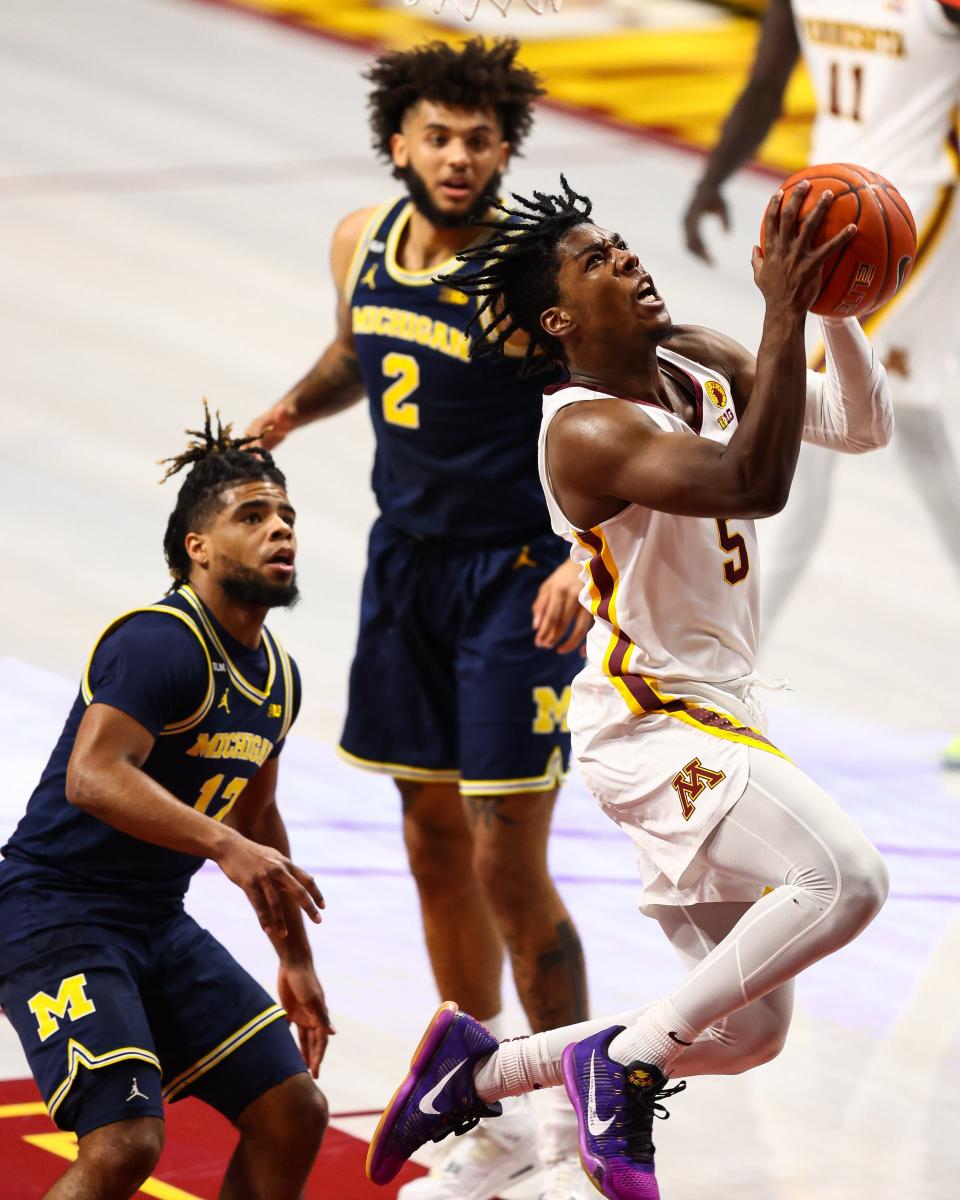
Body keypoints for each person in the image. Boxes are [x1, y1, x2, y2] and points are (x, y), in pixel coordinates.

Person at [364, 178, 892, 1200]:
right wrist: (785, 312)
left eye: (622, 246)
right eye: (599, 262)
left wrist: (835, 309)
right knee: (848, 879)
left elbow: (855, 427)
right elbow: (754, 482)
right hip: (653, 728)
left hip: (722, 711)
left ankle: (480, 1070)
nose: (630, 262)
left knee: (746, 1036)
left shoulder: (693, 352)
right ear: (560, 320)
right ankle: (625, 1063)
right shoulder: (583, 431)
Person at [245, 38, 591, 1200]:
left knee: (508, 857)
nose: (456, 156)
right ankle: (485, 1095)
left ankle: (570, 1131)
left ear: (507, 150)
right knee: (432, 836)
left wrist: (589, 556)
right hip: (405, 571)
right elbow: (360, 350)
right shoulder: (359, 240)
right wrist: (290, 409)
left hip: (514, 575)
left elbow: (617, 407)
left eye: (478, 139)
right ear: (399, 141)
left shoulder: (538, 264)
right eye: (436, 136)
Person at [0, 409, 331, 1200]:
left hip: (153, 920)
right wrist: (220, 843)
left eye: (286, 515)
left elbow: (256, 821)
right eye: (252, 517)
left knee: (293, 1109)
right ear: (199, 547)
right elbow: (93, 774)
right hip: (55, 911)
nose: (279, 530)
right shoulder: (159, 640)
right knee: (122, 1145)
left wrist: (295, 958)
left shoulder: (278, 678)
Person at [682, 0, 960, 764]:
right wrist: (713, 178)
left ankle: (723, 686)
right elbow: (768, 80)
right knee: (921, 420)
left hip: (904, 216)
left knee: (799, 426)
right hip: (823, 206)